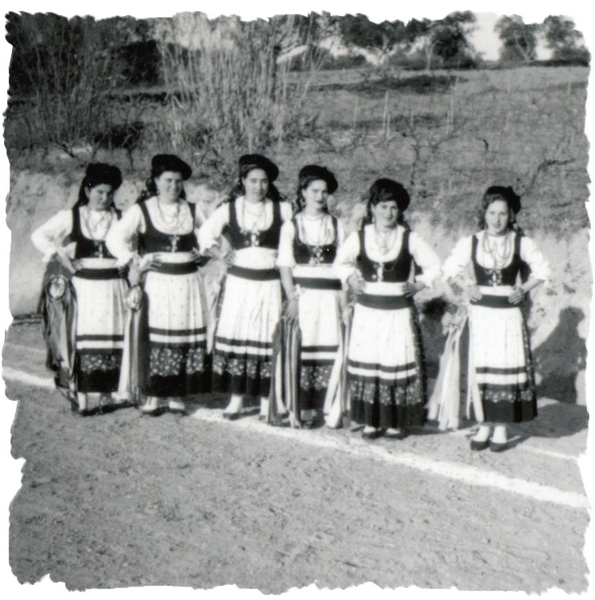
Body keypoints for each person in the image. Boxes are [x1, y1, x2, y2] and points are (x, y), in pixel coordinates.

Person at [438, 186, 549, 451]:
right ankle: (484, 423)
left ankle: (501, 427)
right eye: (492, 213)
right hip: (481, 317)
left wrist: (522, 289)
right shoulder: (472, 242)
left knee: (505, 368)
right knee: (483, 369)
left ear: (511, 215)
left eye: (502, 213)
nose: (497, 219)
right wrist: (468, 286)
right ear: (484, 214)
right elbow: (449, 269)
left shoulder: (520, 243)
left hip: (508, 317)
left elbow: (543, 270)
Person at [334, 179, 441, 439]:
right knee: (370, 362)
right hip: (368, 312)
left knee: (395, 362)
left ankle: (396, 421)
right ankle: (370, 420)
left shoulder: (409, 238)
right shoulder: (359, 237)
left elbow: (435, 265)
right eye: (383, 206)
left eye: (394, 207)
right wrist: (351, 280)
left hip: (398, 313)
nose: (388, 213)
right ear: (372, 208)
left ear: (400, 210)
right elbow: (339, 264)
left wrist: (418, 285)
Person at [106, 154, 208, 416]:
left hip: (188, 284)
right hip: (159, 284)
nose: (173, 186)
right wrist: (134, 260)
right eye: (168, 180)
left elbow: (212, 236)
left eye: (178, 181)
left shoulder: (192, 209)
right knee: (157, 336)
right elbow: (114, 237)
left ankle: (176, 394)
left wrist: (204, 253)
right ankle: (153, 395)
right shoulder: (142, 210)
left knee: (182, 336)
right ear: (155, 181)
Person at [198, 154, 293, 420]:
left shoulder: (282, 210)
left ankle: (267, 400)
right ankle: (236, 399)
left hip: (269, 284)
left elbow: (297, 237)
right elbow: (204, 233)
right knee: (238, 335)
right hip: (239, 285)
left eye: (263, 181)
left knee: (266, 337)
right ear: (242, 181)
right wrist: (219, 253)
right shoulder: (229, 209)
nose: (258, 187)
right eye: (253, 181)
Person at [32, 163, 129, 415]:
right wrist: (61, 256)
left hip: (114, 287)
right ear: (87, 191)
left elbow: (135, 245)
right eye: (99, 192)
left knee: (112, 339)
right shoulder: (71, 217)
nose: (105, 198)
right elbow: (39, 236)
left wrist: (127, 262)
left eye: (109, 193)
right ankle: (82, 397)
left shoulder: (121, 217)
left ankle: (106, 395)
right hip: (85, 288)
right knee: (84, 340)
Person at [277, 165, 347, 427]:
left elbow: (345, 266)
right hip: (304, 297)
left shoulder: (338, 226)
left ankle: (329, 406)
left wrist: (344, 302)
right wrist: (292, 298)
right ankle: (303, 406)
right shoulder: (291, 226)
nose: (320, 196)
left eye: (324, 192)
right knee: (305, 348)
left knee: (331, 346)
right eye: (314, 190)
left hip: (330, 298)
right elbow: (285, 265)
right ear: (303, 192)